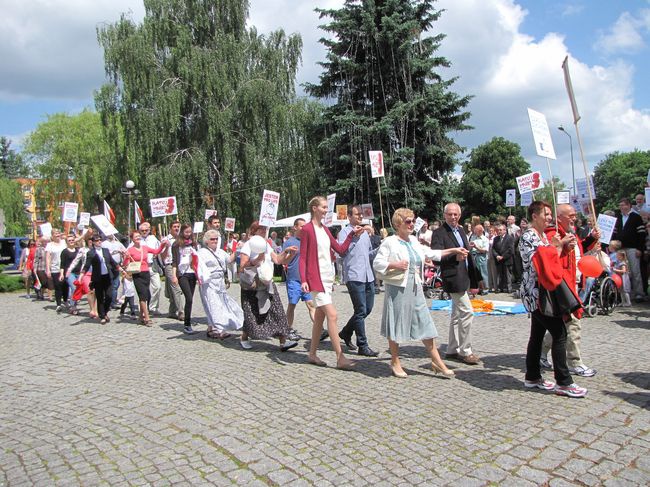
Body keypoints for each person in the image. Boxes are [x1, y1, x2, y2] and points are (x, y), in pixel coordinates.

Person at [374, 208, 465, 378]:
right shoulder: (389, 242)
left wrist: (454, 250)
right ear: (398, 223)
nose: (411, 225)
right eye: (408, 221)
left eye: (412, 221)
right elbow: (377, 263)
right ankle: (395, 361)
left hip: (415, 287)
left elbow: (431, 254)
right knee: (396, 323)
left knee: (425, 322)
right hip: (398, 288)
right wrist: (395, 264)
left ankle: (437, 361)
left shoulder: (414, 241)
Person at [520, 200, 587, 398]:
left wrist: (563, 248)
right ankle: (564, 382)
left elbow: (552, 259)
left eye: (550, 214)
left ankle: (532, 376)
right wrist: (557, 247)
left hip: (543, 292)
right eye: (546, 214)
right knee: (559, 334)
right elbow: (538, 264)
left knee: (537, 335)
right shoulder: (529, 236)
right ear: (535, 216)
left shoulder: (541, 235)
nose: (549, 218)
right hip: (538, 293)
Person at [299, 196, 363, 369]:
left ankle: (312, 354)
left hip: (327, 278)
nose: (326, 210)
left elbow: (340, 250)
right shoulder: (306, 229)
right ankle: (340, 357)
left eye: (327, 207)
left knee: (320, 317)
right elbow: (303, 257)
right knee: (332, 315)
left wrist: (352, 234)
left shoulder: (325, 229)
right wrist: (304, 279)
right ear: (314, 208)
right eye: (323, 207)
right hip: (316, 279)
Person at [540, 203, 601, 377]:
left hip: (573, 283)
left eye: (575, 215)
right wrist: (561, 246)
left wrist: (591, 239)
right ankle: (574, 362)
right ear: (560, 217)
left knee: (560, 326)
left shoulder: (571, 232)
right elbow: (549, 258)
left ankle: (541, 352)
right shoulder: (554, 235)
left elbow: (579, 249)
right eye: (571, 215)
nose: (575, 218)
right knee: (573, 323)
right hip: (563, 286)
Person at [431, 203, 481, 365]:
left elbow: (468, 254)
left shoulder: (460, 230)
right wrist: (454, 257)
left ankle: (452, 349)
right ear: (444, 215)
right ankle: (465, 351)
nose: (453, 217)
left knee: (456, 314)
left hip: (465, 276)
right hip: (452, 278)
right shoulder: (439, 233)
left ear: (460, 215)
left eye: (456, 214)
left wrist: (476, 278)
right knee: (467, 312)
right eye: (450, 214)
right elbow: (436, 257)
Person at [238, 221, 298, 351]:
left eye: (265, 229)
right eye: (261, 229)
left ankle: (283, 342)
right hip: (253, 283)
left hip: (267, 281)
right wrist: (256, 260)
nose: (264, 231)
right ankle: (244, 337)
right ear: (254, 231)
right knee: (252, 313)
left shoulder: (266, 245)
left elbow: (277, 260)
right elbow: (242, 266)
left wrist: (288, 253)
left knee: (277, 310)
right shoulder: (248, 245)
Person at [337, 205, 378, 356]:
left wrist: (380, 248)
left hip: (368, 275)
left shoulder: (366, 233)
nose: (360, 217)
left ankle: (346, 332)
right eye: (357, 215)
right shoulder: (344, 232)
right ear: (349, 216)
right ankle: (363, 345)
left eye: (361, 215)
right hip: (354, 276)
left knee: (367, 309)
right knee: (360, 310)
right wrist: (354, 237)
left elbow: (368, 254)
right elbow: (341, 253)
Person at [197, 229, 244, 339]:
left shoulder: (220, 251)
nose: (214, 241)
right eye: (212, 239)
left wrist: (236, 251)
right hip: (209, 282)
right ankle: (217, 329)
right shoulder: (201, 253)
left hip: (220, 281)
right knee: (213, 304)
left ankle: (218, 327)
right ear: (206, 241)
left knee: (222, 303)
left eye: (216, 239)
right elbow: (198, 267)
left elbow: (229, 260)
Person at [122, 230, 169, 326]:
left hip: (146, 272)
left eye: (139, 236)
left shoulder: (145, 248)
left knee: (145, 295)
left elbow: (156, 251)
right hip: (137, 274)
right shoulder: (130, 250)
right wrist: (126, 257)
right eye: (136, 237)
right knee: (142, 295)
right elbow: (125, 264)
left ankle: (140, 317)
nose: (138, 238)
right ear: (132, 239)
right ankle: (146, 318)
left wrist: (163, 245)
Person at [283, 218, 315, 342]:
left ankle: (320, 329)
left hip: (305, 280)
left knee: (311, 304)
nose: (304, 228)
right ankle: (288, 329)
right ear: (295, 227)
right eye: (302, 226)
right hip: (293, 279)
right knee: (292, 305)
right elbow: (283, 260)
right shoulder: (289, 242)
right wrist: (287, 254)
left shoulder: (307, 241)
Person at [80, 235, 121, 324]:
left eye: (100, 240)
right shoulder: (91, 253)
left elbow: (112, 262)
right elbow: (87, 265)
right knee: (100, 297)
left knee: (109, 296)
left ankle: (105, 312)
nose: (99, 241)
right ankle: (102, 315)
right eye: (97, 240)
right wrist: (81, 276)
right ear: (93, 242)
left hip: (107, 276)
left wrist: (121, 269)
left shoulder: (105, 251)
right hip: (98, 278)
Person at [612, 198, 647, 303]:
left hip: (632, 248)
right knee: (622, 271)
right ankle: (624, 294)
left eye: (623, 205)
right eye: (620, 205)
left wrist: (640, 249)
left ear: (629, 206)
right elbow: (614, 232)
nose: (621, 207)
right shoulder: (618, 218)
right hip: (620, 248)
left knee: (635, 271)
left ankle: (639, 293)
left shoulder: (636, 217)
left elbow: (641, 234)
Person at [171, 224, 199, 334]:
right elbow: (174, 262)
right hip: (182, 274)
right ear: (182, 232)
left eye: (189, 232)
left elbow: (197, 258)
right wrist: (174, 275)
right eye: (186, 232)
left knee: (189, 299)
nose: (188, 234)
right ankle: (187, 324)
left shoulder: (194, 244)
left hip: (192, 273)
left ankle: (188, 321)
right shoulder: (176, 245)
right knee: (189, 298)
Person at [160, 221, 185, 321]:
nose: (176, 228)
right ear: (170, 228)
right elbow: (162, 256)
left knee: (173, 289)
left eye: (178, 226)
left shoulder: (182, 239)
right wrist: (166, 247)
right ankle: (181, 311)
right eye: (174, 227)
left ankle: (171, 311)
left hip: (180, 266)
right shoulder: (165, 240)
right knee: (176, 288)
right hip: (170, 265)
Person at [137, 222, 163, 314]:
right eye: (142, 230)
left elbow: (159, 249)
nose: (144, 232)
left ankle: (153, 307)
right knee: (143, 289)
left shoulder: (153, 238)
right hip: (141, 267)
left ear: (149, 230)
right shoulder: (137, 239)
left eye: (146, 230)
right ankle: (143, 309)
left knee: (158, 286)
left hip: (152, 266)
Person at [101, 233, 126, 308]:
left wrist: (122, 253)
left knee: (116, 284)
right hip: (108, 266)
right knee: (109, 284)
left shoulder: (118, 243)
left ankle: (113, 301)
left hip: (117, 266)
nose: (110, 234)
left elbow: (125, 251)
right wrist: (113, 252)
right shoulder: (104, 244)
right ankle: (107, 300)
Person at [45, 229, 67, 311]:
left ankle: (65, 300)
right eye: (55, 233)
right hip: (55, 268)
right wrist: (48, 269)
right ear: (52, 236)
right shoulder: (49, 245)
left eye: (58, 233)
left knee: (65, 285)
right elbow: (48, 258)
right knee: (58, 286)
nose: (57, 234)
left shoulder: (64, 242)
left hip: (65, 267)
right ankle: (58, 304)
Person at [59, 234, 79, 314]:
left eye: (72, 240)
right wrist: (61, 274)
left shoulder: (78, 250)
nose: (71, 242)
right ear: (67, 242)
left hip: (78, 272)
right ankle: (73, 306)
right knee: (74, 288)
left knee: (77, 289)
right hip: (69, 273)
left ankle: (74, 304)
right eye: (69, 240)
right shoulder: (65, 251)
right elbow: (62, 265)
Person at [491, 224, 514, 293]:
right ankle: (500, 288)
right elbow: (493, 249)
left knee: (507, 275)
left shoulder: (509, 238)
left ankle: (509, 288)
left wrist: (503, 256)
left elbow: (510, 249)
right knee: (500, 275)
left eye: (500, 230)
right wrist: (497, 256)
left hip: (507, 259)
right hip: (498, 260)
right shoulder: (496, 238)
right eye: (498, 230)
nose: (499, 231)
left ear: (505, 230)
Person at [469, 225, 489, 295]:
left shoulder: (485, 239)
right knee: (475, 273)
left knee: (483, 273)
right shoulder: (473, 237)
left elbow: (485, 250)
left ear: (480, 231)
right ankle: (478, 288)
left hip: (481, 256)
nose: (474, 231)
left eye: (476, 230)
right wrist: (470, 247)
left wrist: (476, 247)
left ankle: (485, 289)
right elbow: (470, 247)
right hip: (473, 256)